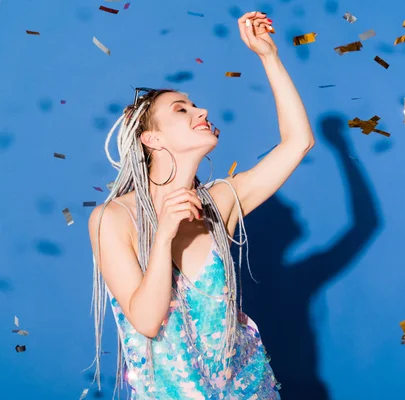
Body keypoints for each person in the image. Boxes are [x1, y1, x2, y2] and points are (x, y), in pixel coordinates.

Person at [86, 11, 315, 399]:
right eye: (182, 110)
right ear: (151, 139)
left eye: (195, 106)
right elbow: (145, 320)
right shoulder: (114, 218)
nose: (201, 112)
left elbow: (298, 142)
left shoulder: (220, 201)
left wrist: (268, 56)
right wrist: (163, 238)